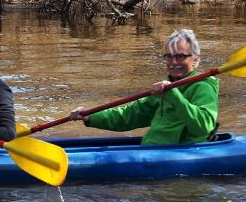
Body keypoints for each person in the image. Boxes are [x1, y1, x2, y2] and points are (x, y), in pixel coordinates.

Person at [68, 28, 218, 145]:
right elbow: (129, 116)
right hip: (152, 149)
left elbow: (204, 126)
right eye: (169, 56)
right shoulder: (165, 89)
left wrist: (174, 96)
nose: (173, 62)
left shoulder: (203, 86)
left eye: (180, 56)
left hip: (177, 154)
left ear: (195, 60)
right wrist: (90, 116)